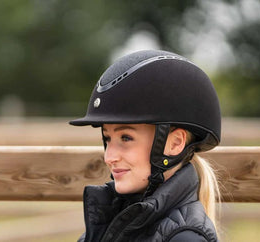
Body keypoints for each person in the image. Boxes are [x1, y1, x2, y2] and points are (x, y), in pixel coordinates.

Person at [70, 50, 221, 242]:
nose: (109, 158)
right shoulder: (113, 221)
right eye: (107, 139)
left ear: (175, 143)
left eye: (126, 138)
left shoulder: (185, 238)